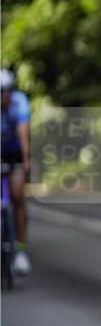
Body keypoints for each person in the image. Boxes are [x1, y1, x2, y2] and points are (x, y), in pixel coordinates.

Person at [0, 68, 31, 275]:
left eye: (8, 90)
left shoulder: (19, 101)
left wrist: (26, 158)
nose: (5, 95)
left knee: (18, 196)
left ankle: (21, 250)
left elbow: (22, 130)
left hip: (14, 152)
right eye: (1, 91)